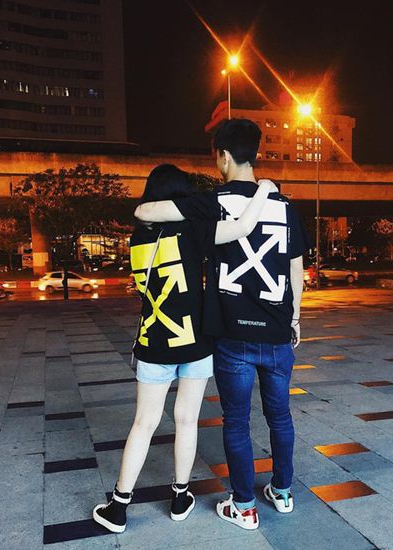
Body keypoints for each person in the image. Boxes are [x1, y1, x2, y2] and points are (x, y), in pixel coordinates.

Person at [135, 119, 310, 530]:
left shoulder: (211, 202)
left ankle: (244, 505)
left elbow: (146, 211)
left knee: (236, 421)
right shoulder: (285, 206)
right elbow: (296, 268)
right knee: (280, 416)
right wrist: (295, 317)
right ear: (255, 153)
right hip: (276, 331)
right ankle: (283, 492)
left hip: (233, 334)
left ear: (224, 156)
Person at [92, 163, 277, 533]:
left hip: (154, 342)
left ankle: (119, 506)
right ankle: (180, 497)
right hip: (196, 343)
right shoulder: (193, 230)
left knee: (144, 423)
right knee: (187, 420)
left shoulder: (137, 237)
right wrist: (264, 190)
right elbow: (243, 227)